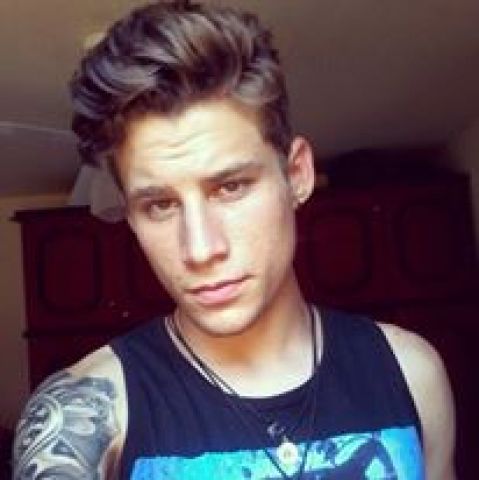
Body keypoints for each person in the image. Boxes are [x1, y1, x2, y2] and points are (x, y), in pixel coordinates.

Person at [13, 2, 456, 478]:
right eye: (160, 205)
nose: (201, 249)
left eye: (231, 187)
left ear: (297, 175)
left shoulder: (410, 370)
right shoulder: (83, 417)